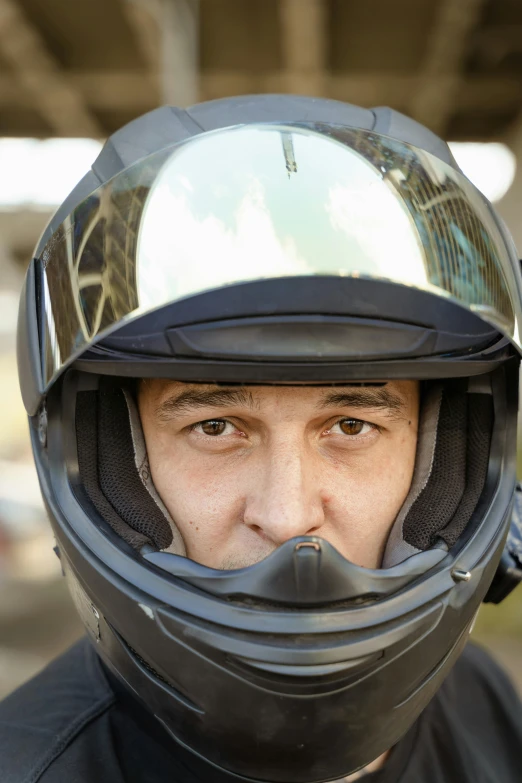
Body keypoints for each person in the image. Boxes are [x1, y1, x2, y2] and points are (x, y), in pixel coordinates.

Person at [2, 94, 522, 782]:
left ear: (450, 456)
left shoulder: (483, 699)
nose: (287, 518)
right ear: (104, 461)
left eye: (350, 425)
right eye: (215, 427)